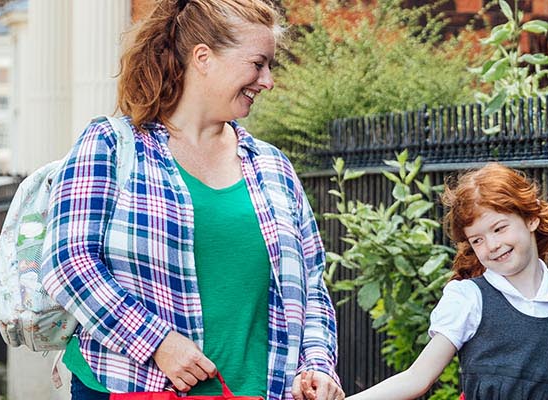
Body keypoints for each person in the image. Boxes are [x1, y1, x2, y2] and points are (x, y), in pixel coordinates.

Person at [42, 0, 341, 399]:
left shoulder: (273, 167)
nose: (267, 80)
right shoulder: (112, 147)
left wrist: (317, 365)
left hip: (260, 390)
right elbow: (68, 263)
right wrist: (157, 342)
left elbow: (312, 286)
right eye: (258, 64)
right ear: (204, 57)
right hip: (133, 388)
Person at [348, 164, 548, 400]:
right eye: (478, 239)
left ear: (531, 218)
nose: (492, 245)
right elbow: (417, 378)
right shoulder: (469, 298)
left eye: (499, 228)